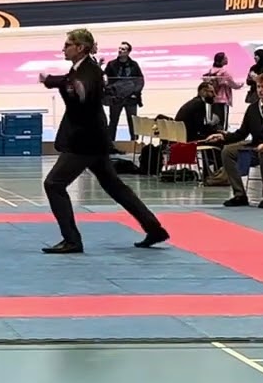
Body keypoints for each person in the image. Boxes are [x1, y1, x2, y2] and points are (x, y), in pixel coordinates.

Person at [40, 28, 169, 254]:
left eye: (68, 44)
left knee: (53, 184)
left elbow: (83, 87)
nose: (64, 48)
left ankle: (72, 240)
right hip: (94, 139)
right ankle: (154, 229)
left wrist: (77, 90)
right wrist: (51, 80)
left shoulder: (89, 72)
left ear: (80, 48)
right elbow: (69, 81)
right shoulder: (82, 68)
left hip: (85, 141)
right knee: (114, 186)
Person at [205, 72, 263, 209]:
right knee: (228, 152)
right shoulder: (252, 109)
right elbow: (242, 133)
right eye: (258, 87)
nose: (260, 90)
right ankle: (239, 194)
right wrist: (224, 137)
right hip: (256, 147)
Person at [104, 41, 144, 142]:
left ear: (128, 52)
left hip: (130, 98)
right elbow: (105, 79)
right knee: (113, 121)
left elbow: (140, 80)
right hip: (116, 98)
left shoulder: (134, 65)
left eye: (123, 49)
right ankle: (110, 143)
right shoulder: (111, 64)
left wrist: (135, 93)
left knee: (132, 122)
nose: (120, 51)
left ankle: (134, 143)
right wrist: (111, 91)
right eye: (119, 48)